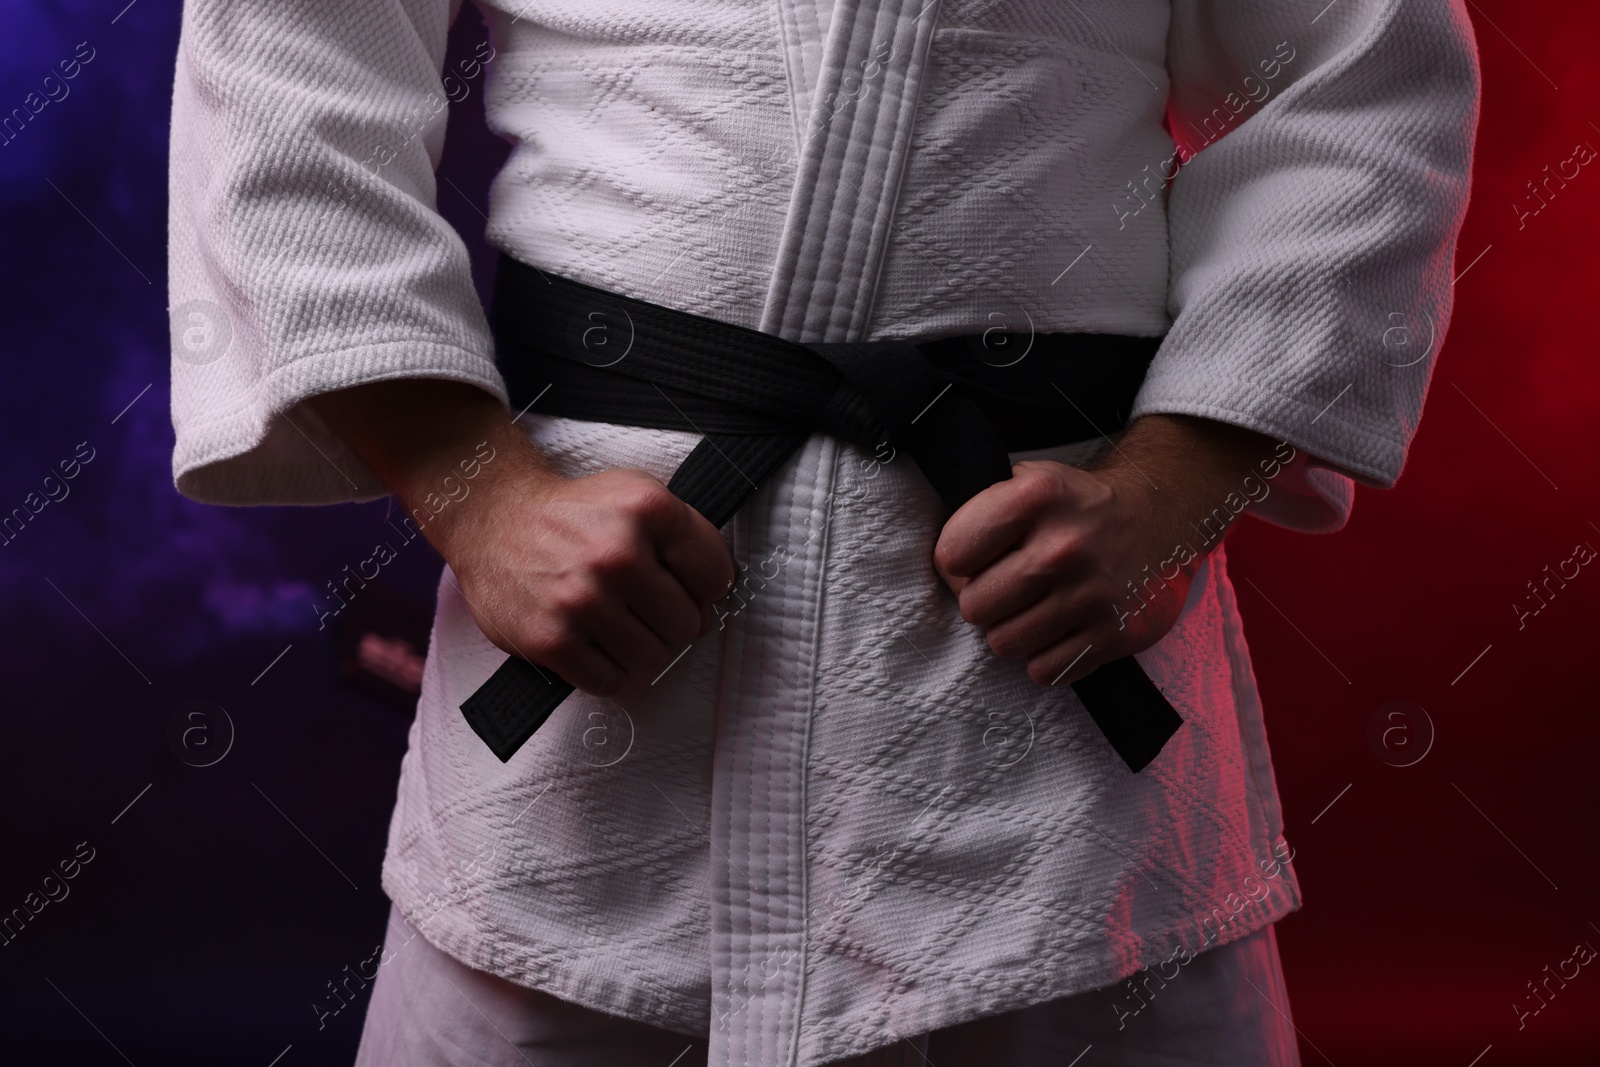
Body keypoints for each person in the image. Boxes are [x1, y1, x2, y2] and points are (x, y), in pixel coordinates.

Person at [166, 0, 1479, 1063]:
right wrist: (477, 492)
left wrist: (1178, 488)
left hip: (1048, 684)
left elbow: (1363, 82)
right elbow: (286, 65)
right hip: (601, 660)